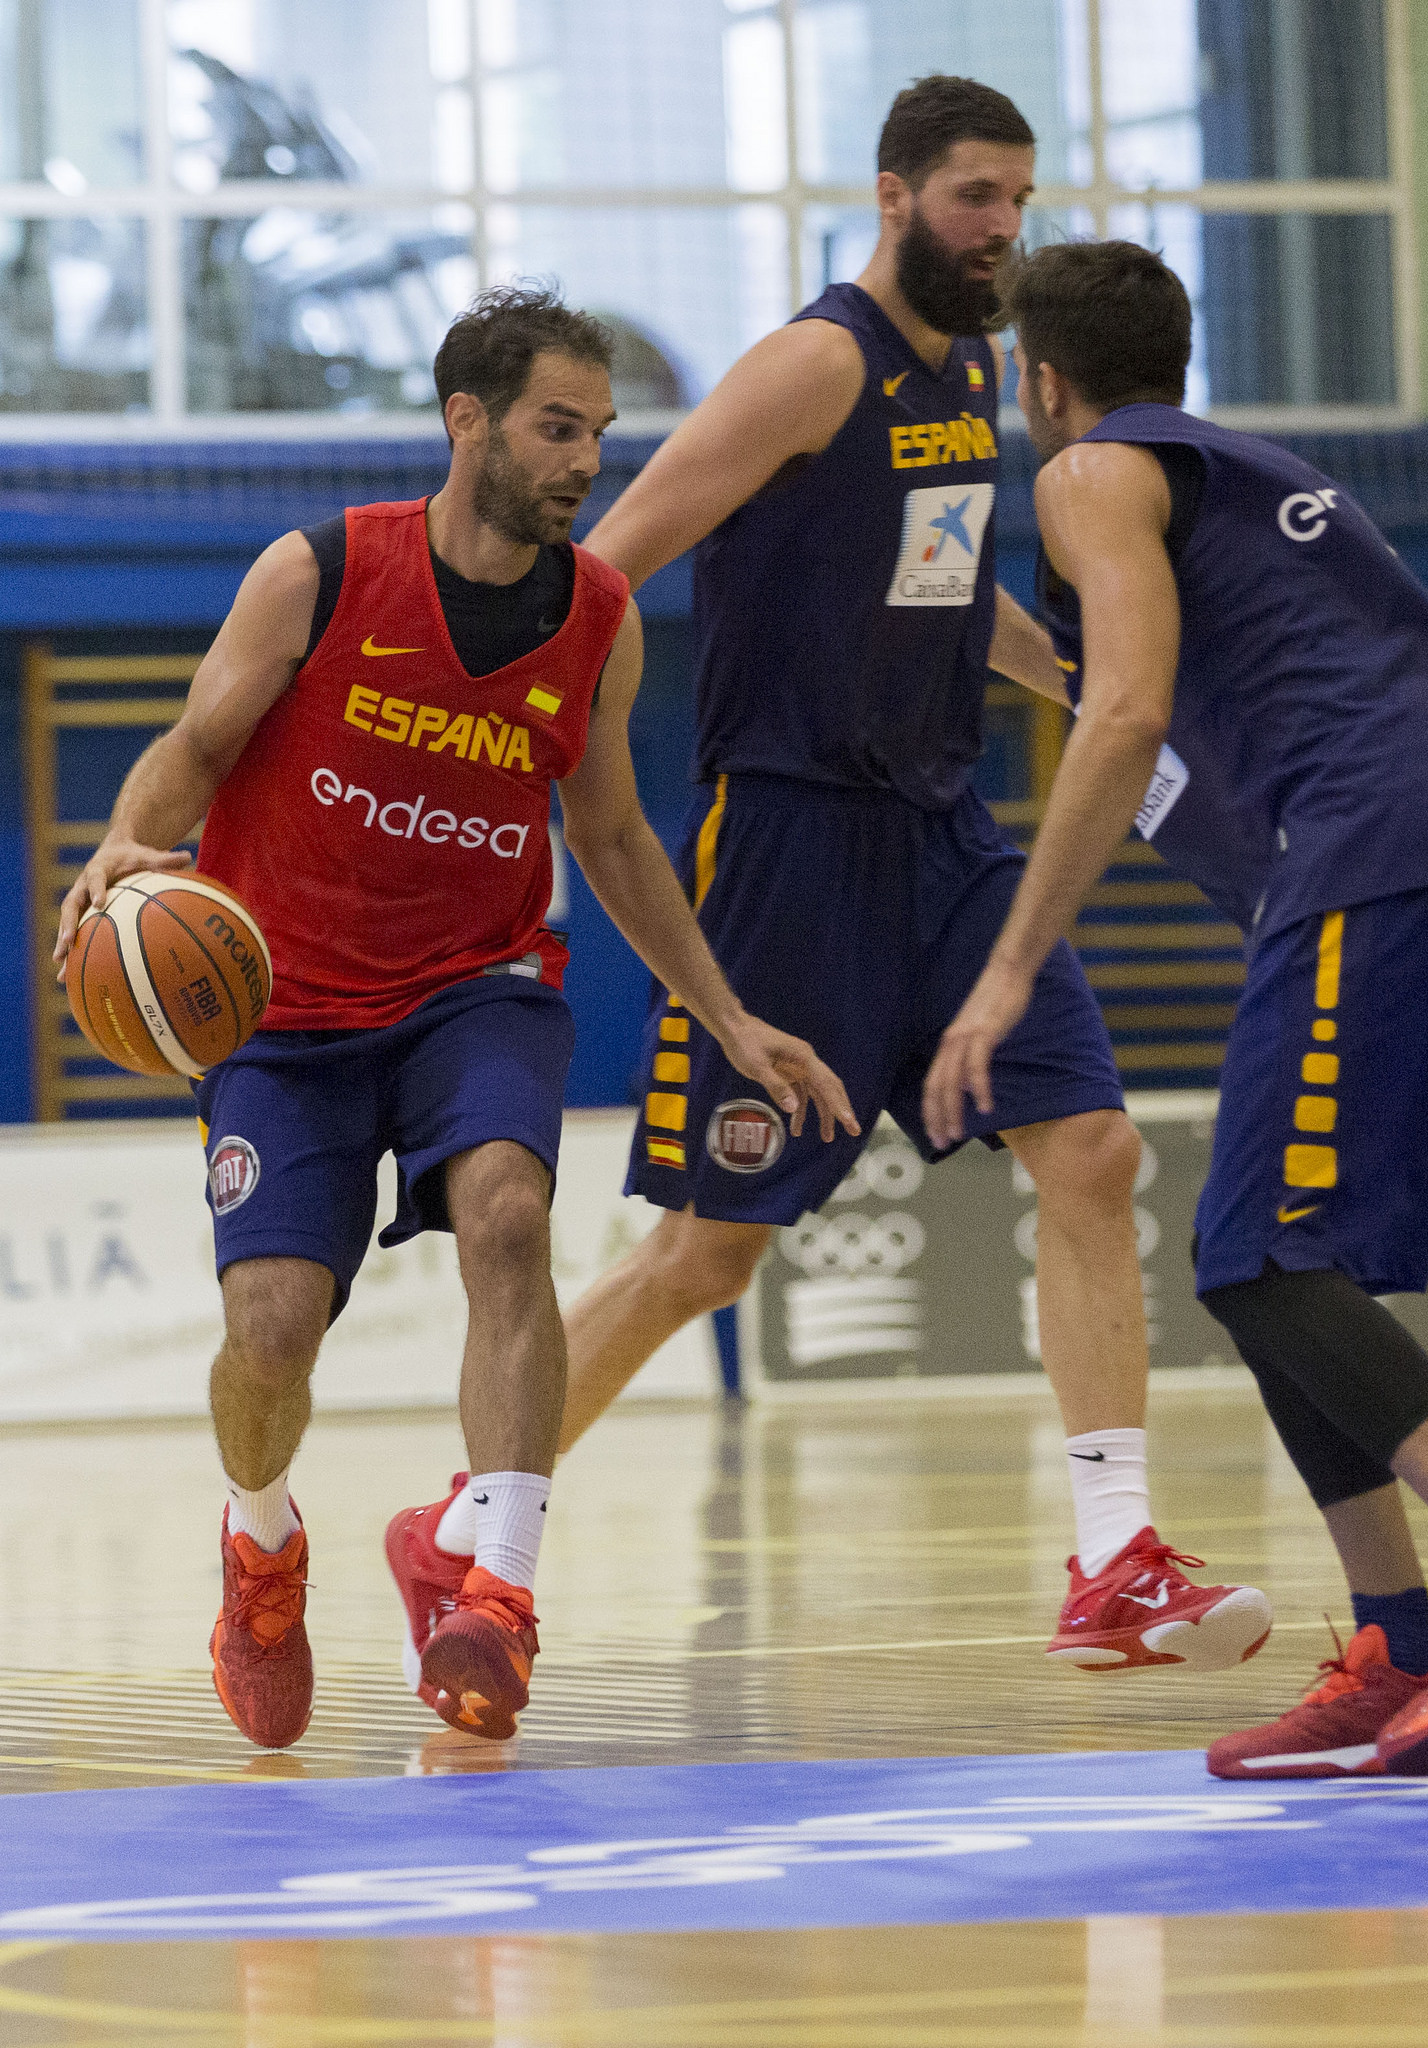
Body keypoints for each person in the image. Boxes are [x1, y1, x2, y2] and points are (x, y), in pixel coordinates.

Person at [404, 76, 1273, 1681]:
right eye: (971, 197)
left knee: (1086, 1152)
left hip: (941, 835)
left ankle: (1115, 1558)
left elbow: (951, 591)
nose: (1002, 228)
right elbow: (616, 555)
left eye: (1018, 198)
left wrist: (1077, 683)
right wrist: (496, 720)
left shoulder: (972, 385)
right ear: (893, 198)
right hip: (788, 846)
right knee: (703, 1259)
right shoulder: (817, 364)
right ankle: (465, 1525)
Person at [54, 286, 854, 1751]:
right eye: (559, 428)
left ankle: (501, 1587)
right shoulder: (320, 569)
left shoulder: (598, 618)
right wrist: (123, 847)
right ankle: (261, 1545)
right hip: (282, 1008)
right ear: (466, 419)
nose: (584, 463)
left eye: (601, 436)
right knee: (272, 1334)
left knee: (505, 1216)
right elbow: (194, 749)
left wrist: (727, 1014)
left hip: (474, 988)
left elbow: (611, 838)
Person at [922, 239, 1428, 1779]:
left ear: (1041, 384)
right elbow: (1204, 711)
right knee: (1269, 1259)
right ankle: (1398, 1642)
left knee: (1260, 1261)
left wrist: (1006, 966)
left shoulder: (1088, 474)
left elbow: (1124, 715)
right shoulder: (1255, 484)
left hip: (1369, 864)